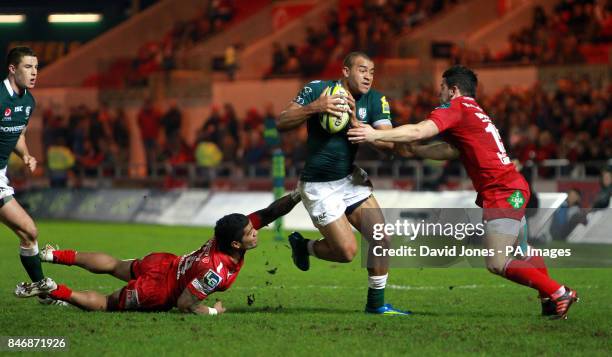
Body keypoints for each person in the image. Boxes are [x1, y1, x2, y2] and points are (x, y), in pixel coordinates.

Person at [348, 65, 578, 319]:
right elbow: (452, 150)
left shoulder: (454, 108)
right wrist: (417, 151)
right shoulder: (476, 112)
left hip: (501, 191)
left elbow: (419, 130)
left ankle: (559, 292)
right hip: (512, 186)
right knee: (523, 250)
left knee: (497, 262)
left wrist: (372, 134)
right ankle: (549, 300)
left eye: (442, 89)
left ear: (453, 90)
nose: (440, 95)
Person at [277, 51, 409, 315]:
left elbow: (390, 144)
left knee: (381, 238)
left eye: (372, 71)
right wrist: (316, 107)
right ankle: (304, 246)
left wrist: (365, 131)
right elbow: (282, 121)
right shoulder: (318, 89)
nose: (368, 76)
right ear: (346, 71)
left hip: (350, 179)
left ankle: (376, 305)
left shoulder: (375, 100)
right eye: (362, 70)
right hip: (318, 185)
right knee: (347, 252)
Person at [17, 193, 301, 313]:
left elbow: (268, 213)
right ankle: (54, 290)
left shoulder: (226, 234)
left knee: (114, 264)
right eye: (251, 233)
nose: (256, 232)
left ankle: (54, 256)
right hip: (156, 289)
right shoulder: (215, 272)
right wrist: (214, 311)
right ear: (236, 245)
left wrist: (298, 195)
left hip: (164, 262)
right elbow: (185, 304)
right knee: (105, 303)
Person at [3, 46, 57, 299]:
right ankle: (44, 291)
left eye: (36, 67)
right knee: (29, 231)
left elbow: (18, 134)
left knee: (28, 233)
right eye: (28, 67)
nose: (34, 73)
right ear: (12, 69)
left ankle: (43, 292)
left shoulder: (28, 101)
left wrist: (25, 154)